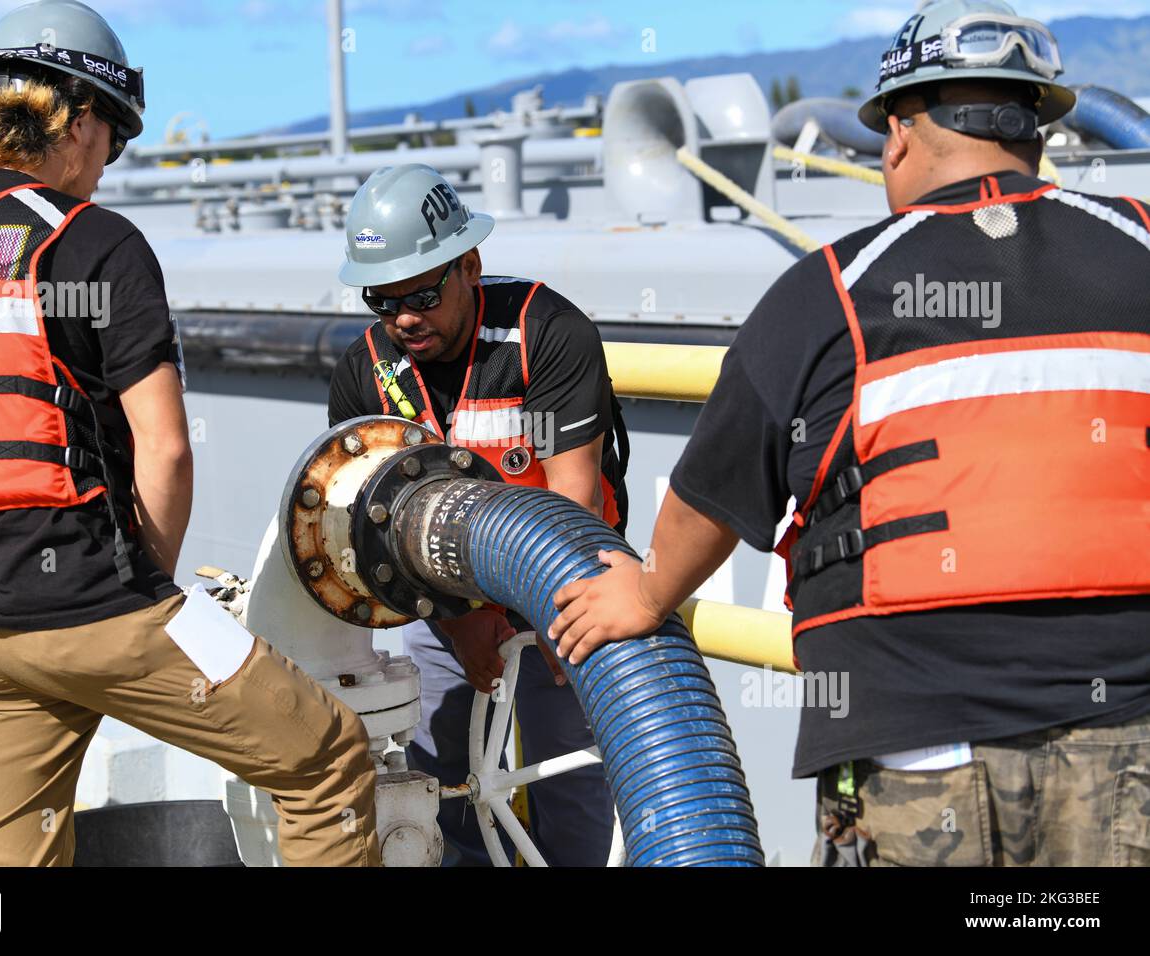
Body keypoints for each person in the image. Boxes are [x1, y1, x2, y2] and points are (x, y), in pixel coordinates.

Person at [551, 0, 1150, 867]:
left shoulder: (832, 290)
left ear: (898, 139)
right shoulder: (1137, 246)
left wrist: (645, 597)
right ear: (1038, 129)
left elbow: (714, 485)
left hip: (921, 743)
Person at [0, 0, 379, 866]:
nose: (108, 164)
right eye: (116, 139)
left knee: (8, 863)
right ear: (80, 118)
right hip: (89, 606)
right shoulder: (95, 240)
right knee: (325, 756)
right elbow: (166, 449)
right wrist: (145, 602)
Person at [329, 163, 628, 865]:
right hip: (440, 601)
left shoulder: (545, 335)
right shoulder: (366, 371)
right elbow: (367, 520)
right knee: (443, 788)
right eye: (383, 299)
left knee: (571, 782)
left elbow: (573, 493)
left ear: (471, 265)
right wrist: (459, 625)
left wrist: (555, 611)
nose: (405, 318)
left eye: (424, 295)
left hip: (568, 587)